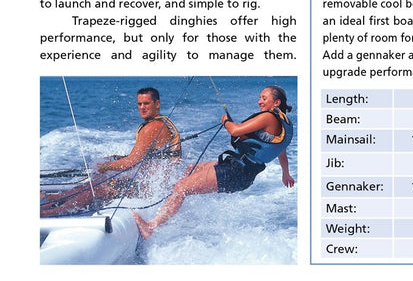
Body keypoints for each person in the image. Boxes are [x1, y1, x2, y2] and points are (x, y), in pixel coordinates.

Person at [133, 86, 294, 238]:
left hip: (236, 171)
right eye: (259, 97)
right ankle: (168, 202)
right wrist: (285, 173)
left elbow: (235, 130)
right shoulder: (284, 124)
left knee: (181, 187)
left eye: (264, 98)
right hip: (240, 170)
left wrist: (225, 121)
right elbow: (282, 152)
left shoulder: (269, 117)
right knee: (191, 169)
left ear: (276, 103)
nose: (259, 101)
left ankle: (152, 227)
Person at [40, 86, 182, 217]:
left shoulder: (153, 127)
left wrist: (105, 166)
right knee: (97, 179)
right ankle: (54, 198)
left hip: (150, 190)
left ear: (157, 104)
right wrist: (115, 158)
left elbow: (131, 162)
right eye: (139, 104)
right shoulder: (159, 123)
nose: (142, 108)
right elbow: (145, 156)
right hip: (149, 183)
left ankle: (51, 212)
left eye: (146, 103)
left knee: (99, 187)